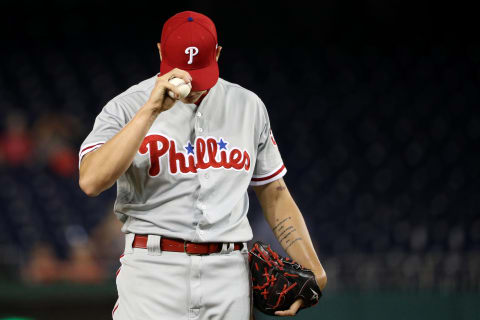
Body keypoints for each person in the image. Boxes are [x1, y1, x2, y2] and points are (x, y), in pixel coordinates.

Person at [78, 10, 326, 320]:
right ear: (159, 51)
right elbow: (90, 180)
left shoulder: (248, 106)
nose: (192, 84)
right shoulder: (127, 106)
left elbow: (273, 191)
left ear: (218, 53)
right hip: (153, 272)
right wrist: (150, 111)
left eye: (200, 72)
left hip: (229, 272)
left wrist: (315, 269)